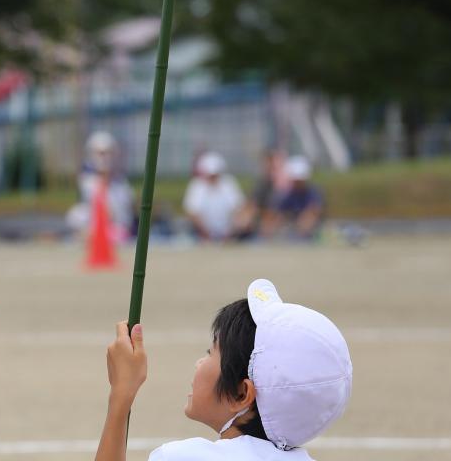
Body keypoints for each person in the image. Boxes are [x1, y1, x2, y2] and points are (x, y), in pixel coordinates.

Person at [96, 279, 352, 461]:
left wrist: (121, 395)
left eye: (211, 353)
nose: (199, 362)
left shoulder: (183, 457)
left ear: (242, 394)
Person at [72, 131, 136, 239]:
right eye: (101, 153)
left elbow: (124, 216)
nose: (105, 158)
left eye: (109, 153)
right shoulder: (87, 183)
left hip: (119, 234)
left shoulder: (122, 184)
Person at [183, 152, 249, 242]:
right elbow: (192, 213)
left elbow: (239, 210)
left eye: (215, 174)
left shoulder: (229, 183)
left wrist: (231, 232)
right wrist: (206, 234)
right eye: (210, 175)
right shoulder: (196, 185)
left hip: (228, 234)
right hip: (201, 235)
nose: (212, 178)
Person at [263, 156, 324, 241]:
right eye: (295, 179)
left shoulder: (313, 192)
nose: (297, 182)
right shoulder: (287, 193)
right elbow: (276, 212)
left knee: (308, 220)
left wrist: (303, 220)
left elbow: (315, 211)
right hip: (291, 226)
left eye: (299, 179)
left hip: (310, 228)